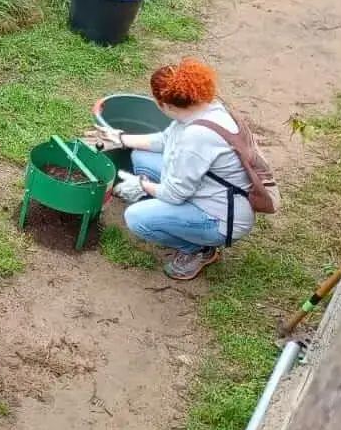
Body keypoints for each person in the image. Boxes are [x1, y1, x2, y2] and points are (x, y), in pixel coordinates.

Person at [103, 58, 257, 281]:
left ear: (165, 105)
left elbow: (174, 195)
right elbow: (165, 140)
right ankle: (177, 220)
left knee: (136, 217)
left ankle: (199, 249)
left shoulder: (196, 138)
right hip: (213, 191)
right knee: (141, 157)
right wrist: (121, 138)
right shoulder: (206, 110)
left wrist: (141, 185)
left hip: (220, 219)